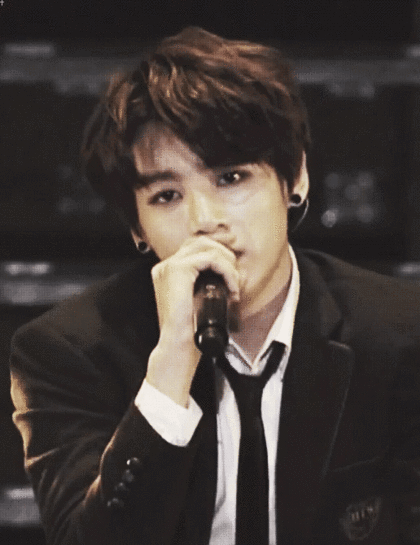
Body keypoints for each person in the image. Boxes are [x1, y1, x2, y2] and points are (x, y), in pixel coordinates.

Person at [9, 26, 420, 545]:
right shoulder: (64, 352)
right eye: (166, 196)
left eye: (231, 178)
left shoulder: (402, 335)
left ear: (295, 178)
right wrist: (171, 367)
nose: (204, 221)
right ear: (137, 228)